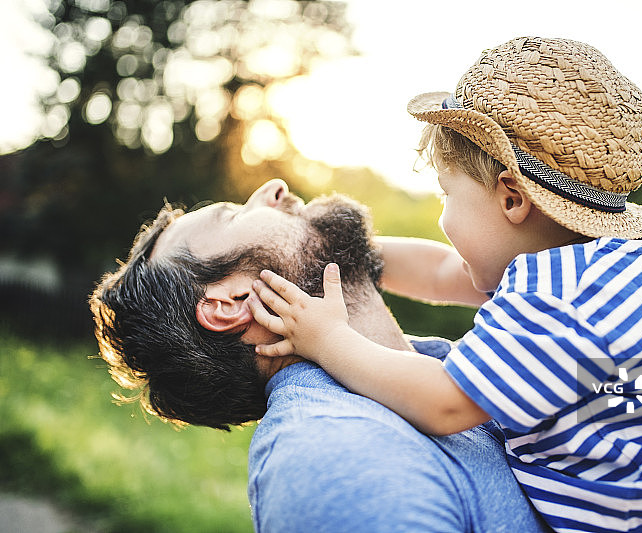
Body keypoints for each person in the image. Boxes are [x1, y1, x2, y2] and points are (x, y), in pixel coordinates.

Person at [249, 37, 642, 532]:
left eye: (447, 195)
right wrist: (338, 252)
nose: (443, 217)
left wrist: (325, 339)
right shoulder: (596, 262)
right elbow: (445, 273)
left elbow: (443, 403)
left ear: (511, 197)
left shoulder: (557, 305)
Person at [89, 179, 550, 532]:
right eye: (232, 216)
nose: (272, 188)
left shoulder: (453, 368)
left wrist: (331, 243)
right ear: (230, 303)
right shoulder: (332, 457)